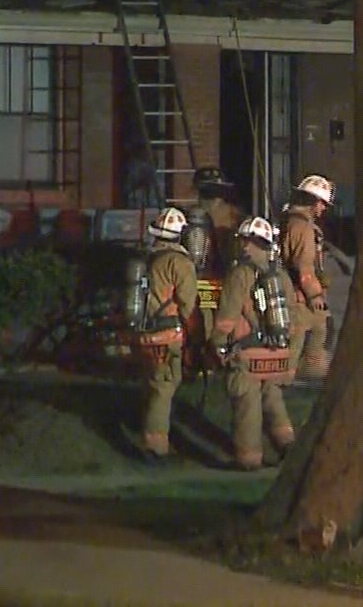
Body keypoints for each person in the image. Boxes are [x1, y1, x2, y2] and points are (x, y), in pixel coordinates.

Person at [210, 216, 294, 471]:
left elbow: (228, 315)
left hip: (248, 351)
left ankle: (249, 459)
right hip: (277, 351)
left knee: (247, 403)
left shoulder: (241, 274)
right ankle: (289, 446)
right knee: (273, 398)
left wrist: (218, 344)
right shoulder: (280, 275)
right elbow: (293, 315)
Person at [138, 208, 198, 462]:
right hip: (167, 334)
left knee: (155, 384)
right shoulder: (179, 262)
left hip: (144, 332)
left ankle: (155, 436)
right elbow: (188, 304)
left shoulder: (148, 258)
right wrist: (196, 334)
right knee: (163, 388)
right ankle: (155, 448)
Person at [278, 175, 336, 381]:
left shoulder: (290, 221)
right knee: (304, 334)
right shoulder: (302, 227)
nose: (324, 208)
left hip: (295, 291)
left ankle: (304, 375)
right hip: (300, 295)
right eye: (322, 203)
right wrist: (315, 295)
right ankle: (289, 379)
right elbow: (304, 268)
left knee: (318, 329)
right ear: (312, 201)